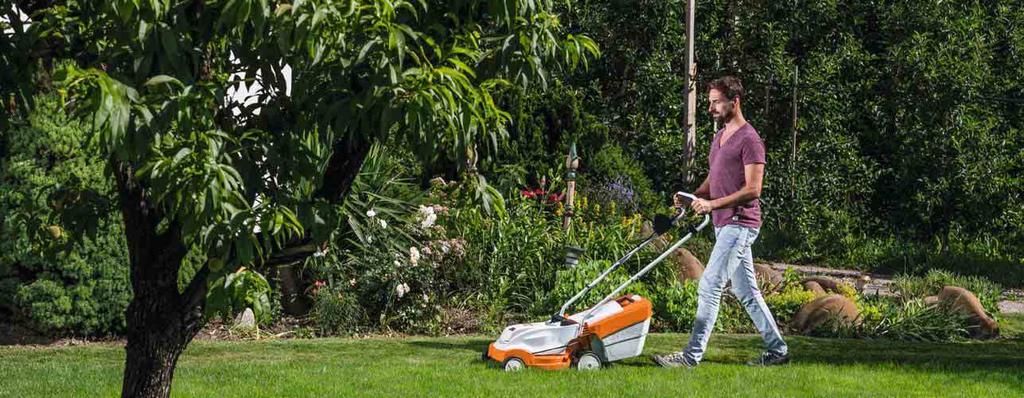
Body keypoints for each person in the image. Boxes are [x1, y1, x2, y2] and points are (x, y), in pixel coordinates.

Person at [653, 76, 789, 368]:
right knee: (745, 291)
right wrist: (693, 196)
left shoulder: (750, 140)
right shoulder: (720, 137)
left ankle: (690, 357)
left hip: (741, 224)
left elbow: (754, 189)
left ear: (734, 101)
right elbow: (716, 178)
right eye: (709, 102)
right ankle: (778, 350)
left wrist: (711, 204)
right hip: (723, 223)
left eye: (716, 102)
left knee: (710, 285)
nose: (711, 107)